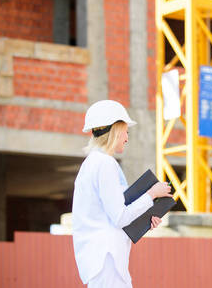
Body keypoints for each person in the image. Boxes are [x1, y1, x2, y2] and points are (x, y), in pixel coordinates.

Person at [72, 100, 172, 288]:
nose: (127, 137)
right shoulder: (105, 164)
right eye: (126, 131)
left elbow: (113, 214)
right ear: (116, 131)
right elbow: (120, 217)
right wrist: (151, 194)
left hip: (102, 259)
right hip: (107, 258)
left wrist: (144, 219)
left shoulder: (93, 164)